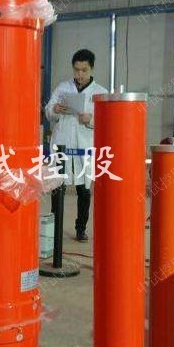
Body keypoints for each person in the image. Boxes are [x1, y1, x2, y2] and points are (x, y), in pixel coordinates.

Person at [45, 49, 108, 242]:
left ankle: (81, 228)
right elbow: (48, 112)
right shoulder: (63, 88)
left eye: (84, 70)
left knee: (84, 189)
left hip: (84, 146)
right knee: (58, 186)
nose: (79, 74)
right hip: (62, 144)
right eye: (76, 70)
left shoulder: (100, 92)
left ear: (92, 69)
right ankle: (55, 227)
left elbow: (107, 120)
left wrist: (91, 119)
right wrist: (55, 109)